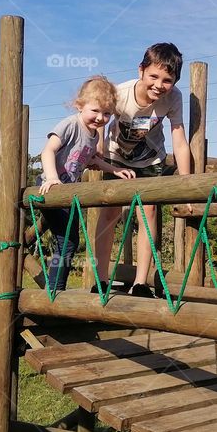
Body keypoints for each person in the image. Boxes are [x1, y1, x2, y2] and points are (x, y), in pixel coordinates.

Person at [94, 43, 192, 297]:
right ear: (141, 70)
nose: (159, 85)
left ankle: (140, 283)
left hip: (150, 160)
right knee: (109, 214)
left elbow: (178, 137)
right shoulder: (120, 93)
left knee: (147, 214)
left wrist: (187, 183)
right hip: (117, 158)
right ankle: (101, 279)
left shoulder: (174, 98)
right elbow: (99, 124)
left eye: (167, 80)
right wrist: (99, 155)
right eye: (154, 76)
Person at [37, 76, 134, 292]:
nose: (101, 118)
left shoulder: (91, 135)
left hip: (67, 193)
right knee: (67, 241)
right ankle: (54, 291)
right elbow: (48, 150)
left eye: (107, 113)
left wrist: (114, 169)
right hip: (50, 189)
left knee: (68, 241)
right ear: (79, 106)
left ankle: (55, 290)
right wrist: (52, 178)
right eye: (95, 111)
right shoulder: (71, 125)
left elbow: (91, 160)